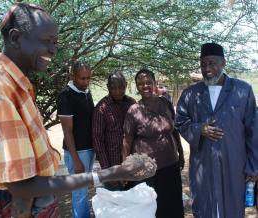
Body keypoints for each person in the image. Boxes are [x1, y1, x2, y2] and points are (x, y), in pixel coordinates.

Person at [0, 3, 156, 217]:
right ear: (15, 38)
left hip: (34, 200)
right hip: (17, 205)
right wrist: (110, 173)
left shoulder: (16, 85)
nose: (53, 50)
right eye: (46, 41)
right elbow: (22, 186)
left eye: (55, 42)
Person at [175, 42, 258, 218]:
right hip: (203, 164)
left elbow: (254, 131)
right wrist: (199, 129)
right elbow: (180, 122)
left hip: (234, 163)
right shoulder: (190, 94)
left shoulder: (242, 90)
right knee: (205, 207)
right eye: (203, 64)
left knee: (232, 208)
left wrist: (253, 167)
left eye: (212, 63)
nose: (207, 69)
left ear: (223, 63)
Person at [122, 69, 185, 218]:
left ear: (155, 83)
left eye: (148, 82)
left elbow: (174, 131)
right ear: (136, 87)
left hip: (170, 166)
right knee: (151, 209)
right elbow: (127, 141)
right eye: (141, 84)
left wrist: (181, 154)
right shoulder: (134, 111)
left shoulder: (165, 103)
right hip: (147, 170)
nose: (145, 86)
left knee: (171, 206)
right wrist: (125, 167)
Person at [57, 61, 94, 218]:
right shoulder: (66, 96)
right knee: (79, 192)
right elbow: (67, 131)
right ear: (73, 76)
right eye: (82, 78)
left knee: (83, 189)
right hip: (77, 152)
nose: (85, 82)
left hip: (89, 150)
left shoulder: (86, 92)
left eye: (88, 78)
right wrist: (76, 160)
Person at [92, 71, 136, 191]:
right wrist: (107, 171)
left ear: (126, 85)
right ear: (108, 87)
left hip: (132, 163)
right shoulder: (101, 108)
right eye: (113, 88)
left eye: (120, 87)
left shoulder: (132, 104)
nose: (117, 91)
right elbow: (97, 140)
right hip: (112, 165)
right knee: (116, 202)